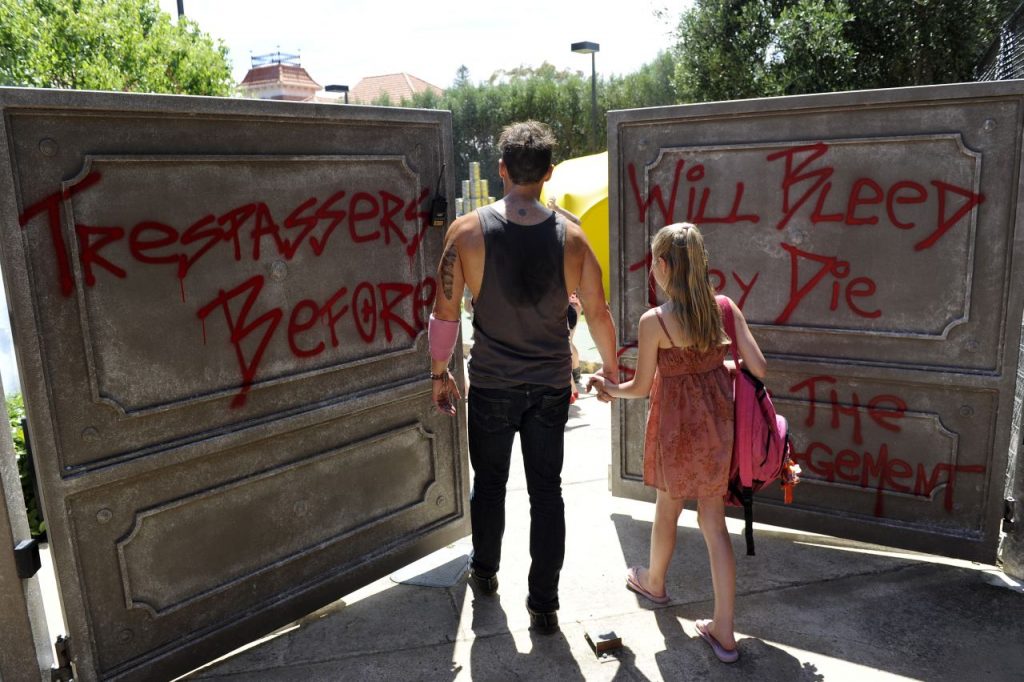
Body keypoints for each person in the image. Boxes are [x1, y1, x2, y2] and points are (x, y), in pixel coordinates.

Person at [427, 121, 619, 634]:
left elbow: (444, 313)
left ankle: (485, 572)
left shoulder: (466, 232)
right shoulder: (573, 237)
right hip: (550, 387)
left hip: (492, 384)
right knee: (547, 492)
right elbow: (598, 313)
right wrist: (612, 370)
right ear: (549, 173)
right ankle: (544, 603)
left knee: (489, 486)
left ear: (502, 169)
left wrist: (439, 373)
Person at [587, 222, 766, 663]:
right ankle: (725, 630)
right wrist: (719, 369)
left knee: (667, 509)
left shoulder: (656, 321)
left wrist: (607, 388)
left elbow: (639, 387)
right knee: (713, 524)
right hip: (718, 428)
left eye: (654, 262)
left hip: (674, 431)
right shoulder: (724, 309)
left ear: (665, 265)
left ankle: (654, 583)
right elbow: (760, 368)